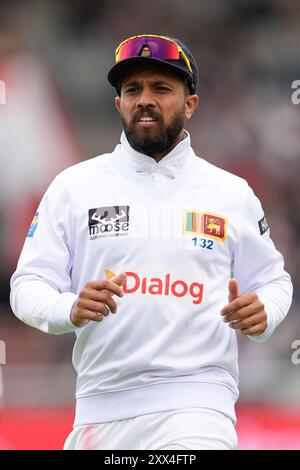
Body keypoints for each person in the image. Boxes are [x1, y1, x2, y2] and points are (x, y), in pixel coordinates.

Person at [10, 34, 293, 450]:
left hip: (199, 407)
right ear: (118, 103)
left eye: (161, 88)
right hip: (99, 411)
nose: (145, 99)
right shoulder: (74, 187)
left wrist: (264, 312)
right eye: (132, 90)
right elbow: (27, 285)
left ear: (190, 104)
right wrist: (67, 308)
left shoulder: (231, 193)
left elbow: (274, 281)